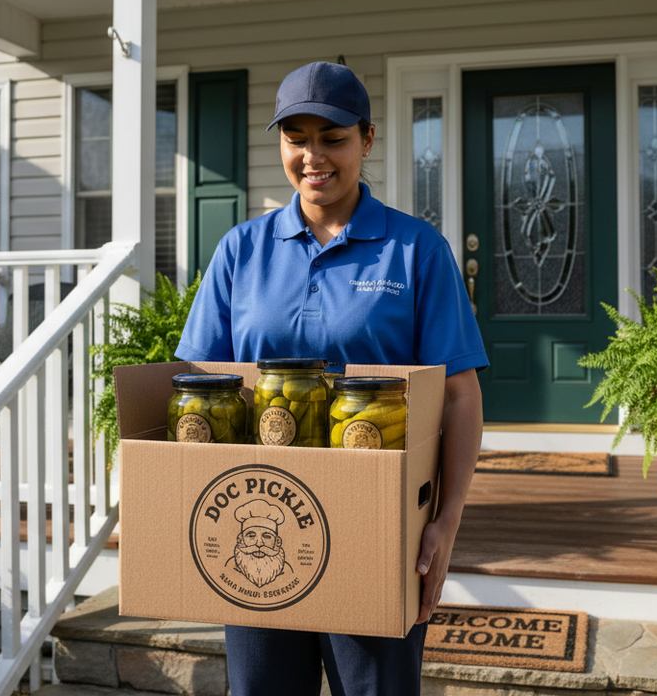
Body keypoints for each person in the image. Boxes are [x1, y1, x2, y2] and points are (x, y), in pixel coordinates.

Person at [175, 60, 487, 696]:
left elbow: (459, 394)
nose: (313, 156)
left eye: (333, 138)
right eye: (297, 138)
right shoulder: (242, 249)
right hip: (258, 518)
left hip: (377, 530)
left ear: (367, 140)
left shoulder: (415, 250)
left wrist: (446, 520)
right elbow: (199, 386)